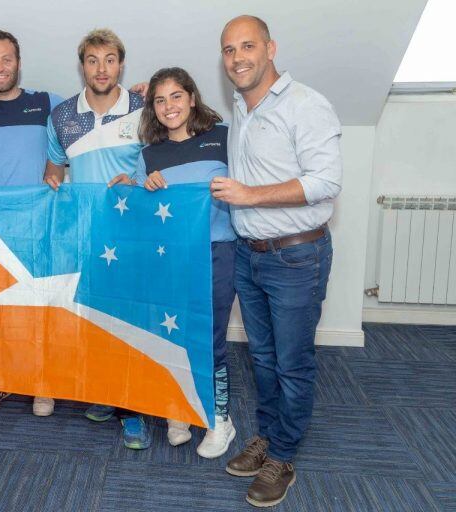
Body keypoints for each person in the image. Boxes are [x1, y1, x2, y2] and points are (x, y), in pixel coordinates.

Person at [212, 15, 342, 508]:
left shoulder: (307, 105)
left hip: (296, 257)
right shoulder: (242, 108)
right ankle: (269, 437)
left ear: (270, 49)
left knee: (292, 362)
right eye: (228, 50)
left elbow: (326, 181)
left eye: (247, 46)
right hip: (250, 255)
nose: (238, 57)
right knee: (261, 358)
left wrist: (248, 195)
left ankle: (284, 456)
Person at [44, 28, 150, 450]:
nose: (101, 68)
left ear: (121, 64)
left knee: (131, 322)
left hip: (132, 235)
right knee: (96, 321)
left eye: (109, 59)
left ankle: (134, 410)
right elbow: (54, 168)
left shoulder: (145, 107)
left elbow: (165, 160)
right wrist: (52, 180)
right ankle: (109, 394)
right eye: (92, 60)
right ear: (82, 65)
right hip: (85, 238)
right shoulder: (62, 115)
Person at [126, 67, 237, 458]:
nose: (169, 106)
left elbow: (245, 187)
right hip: (169, 257)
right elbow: (139, 209)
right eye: (159, 100)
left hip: (216, 251)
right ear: (152, 109)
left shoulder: (223, 138)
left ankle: (219, 419)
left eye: (176, 96)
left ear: (192, 98)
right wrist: (142, 186)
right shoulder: (149, 154)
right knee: (171, 335)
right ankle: (178, 409)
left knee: (209, 339)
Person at [0, 29, 64, 416]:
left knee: (40, 308)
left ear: (18, 62)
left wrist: (137, 96)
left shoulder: (48, 104)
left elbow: (93, 120)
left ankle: (42, 383)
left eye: (6, 59)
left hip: (41, 225)